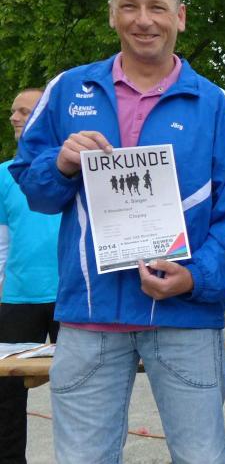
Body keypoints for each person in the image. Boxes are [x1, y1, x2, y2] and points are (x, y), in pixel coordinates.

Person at [10, 0, 225, 463]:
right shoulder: (67, 89)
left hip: (184, 317)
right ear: (112, 16)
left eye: (157, 7)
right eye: (130, 6)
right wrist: (60, 164)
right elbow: (34, 189)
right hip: (89, 315)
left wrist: (195, 278)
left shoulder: (215, 104)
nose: (144, 19)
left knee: (202, 457)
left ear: (180, 17)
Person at [0, 88, 61, 464]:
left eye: (24, 111)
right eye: (13, 111)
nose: (14, 117)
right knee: (6, 395)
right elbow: (1, 243)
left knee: (80, 392)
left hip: (71, 298)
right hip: (18, 298)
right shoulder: (3, 175)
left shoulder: (75, 169)